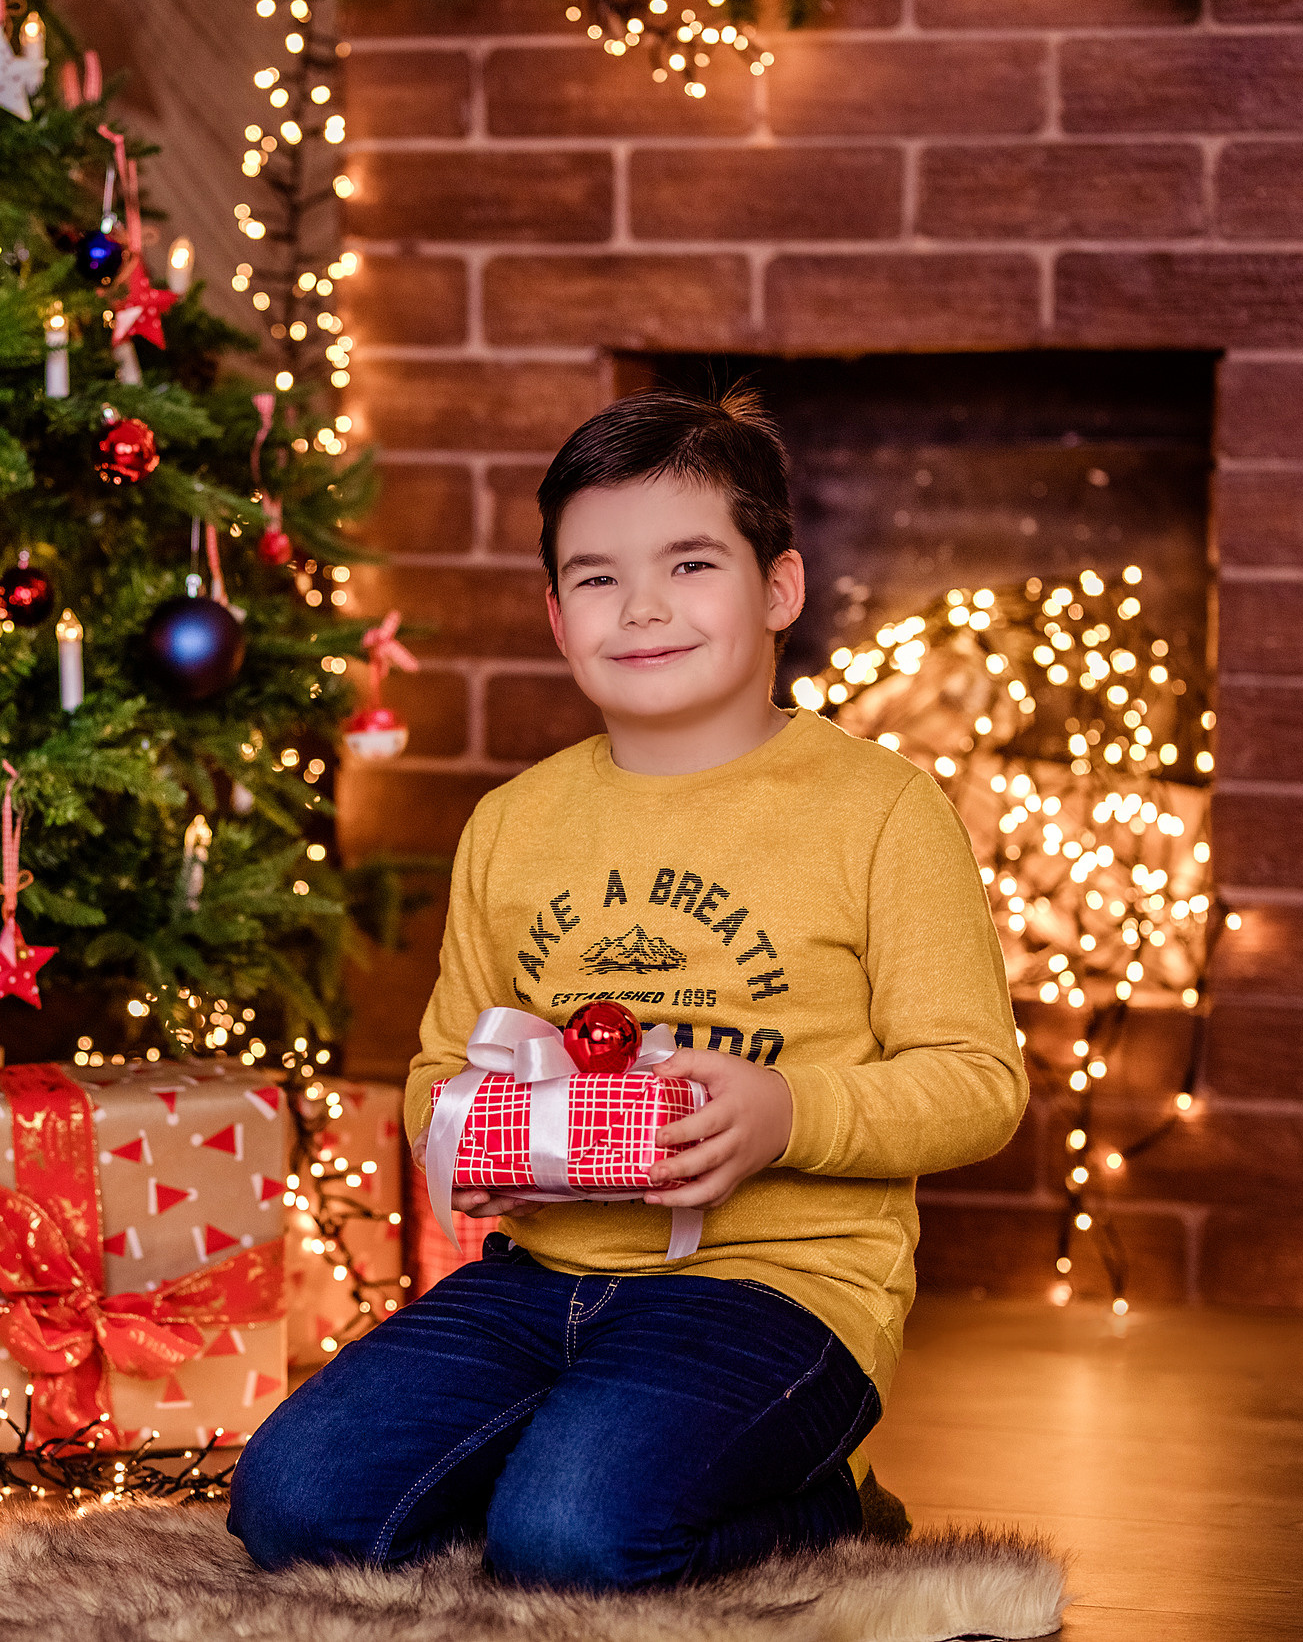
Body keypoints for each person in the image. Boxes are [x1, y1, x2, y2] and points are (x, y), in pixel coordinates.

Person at [229, 387, 1028, 1590]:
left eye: (690, 563)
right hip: (538, 1277)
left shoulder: (881, 812)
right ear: (556, 617)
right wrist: (473, 1137)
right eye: (596, 577)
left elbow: (978, 1084)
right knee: (290, 1502)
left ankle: (818, 1506)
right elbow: (438, 1071)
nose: (641, 607)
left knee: (573, 1537)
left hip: (780, 1292)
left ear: (778, 590)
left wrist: (784, 1114)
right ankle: (580, 1457)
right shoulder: (512, 824)